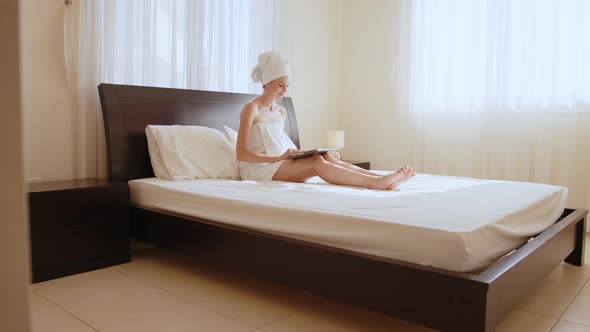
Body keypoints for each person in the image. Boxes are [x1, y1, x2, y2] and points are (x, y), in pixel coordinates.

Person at [236, 51, 415, 190]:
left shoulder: (280, 112)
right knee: (316, 163)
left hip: (279, 162)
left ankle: (377, 178)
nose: (285, 91)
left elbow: (278, 143)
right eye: (281, 85)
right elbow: (241, 154)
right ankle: (376, 183)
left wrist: (295, 154)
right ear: (267, 82)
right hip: (257, 169)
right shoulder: (251, 108)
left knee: (323, 155)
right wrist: (280, 157)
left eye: (287, 85)